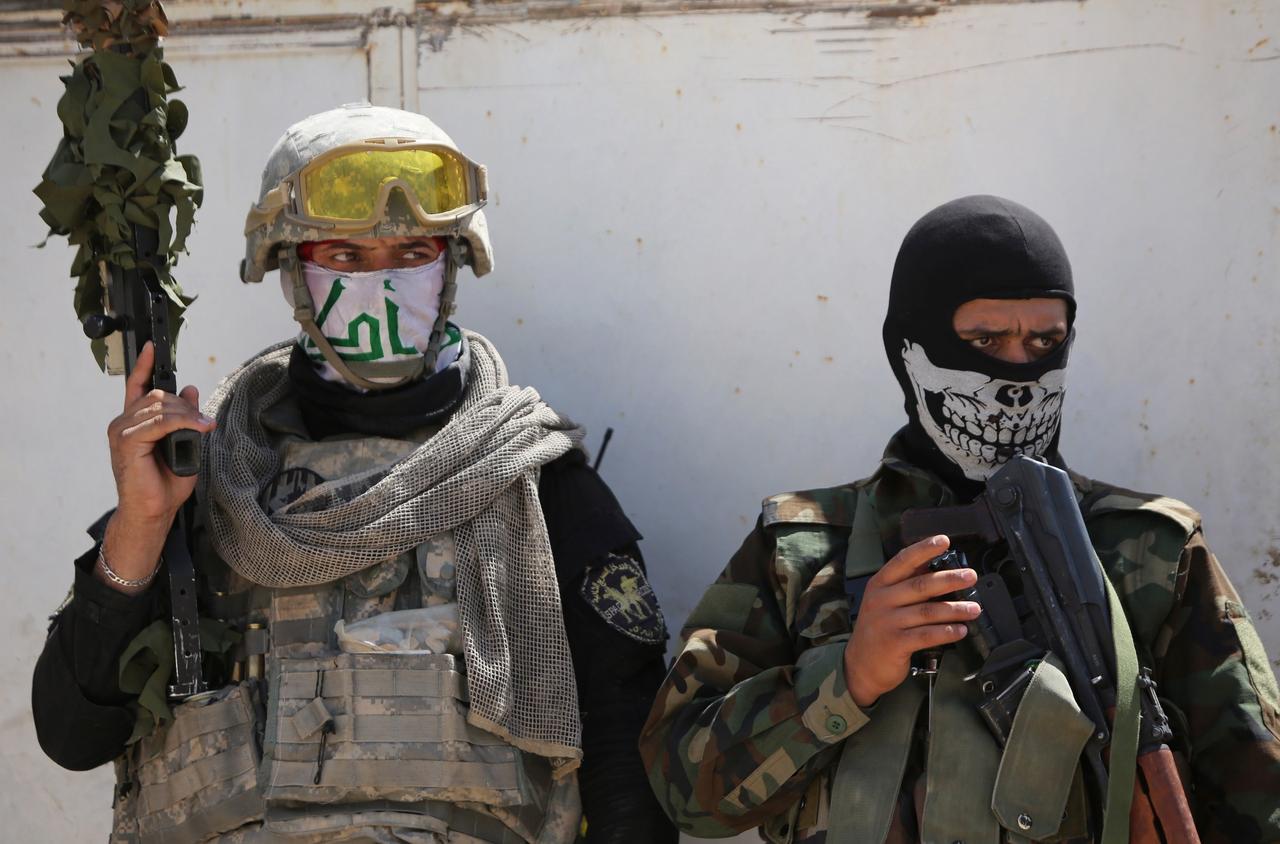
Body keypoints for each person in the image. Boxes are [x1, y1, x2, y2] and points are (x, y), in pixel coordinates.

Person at [33, 103, 678, 844]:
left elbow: (627, 772)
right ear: (290, 272)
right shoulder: (201, 480)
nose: (382, 283)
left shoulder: (535, 480)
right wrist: (140, 528)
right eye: (345, 257)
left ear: (454, 265)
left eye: (412, 256)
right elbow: (69, 733)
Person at [639, 195, 1280, 843]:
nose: (1019, 371)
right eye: (983, 340)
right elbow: (681, 792)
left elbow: (1259, 795)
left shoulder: (1151, 550)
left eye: (1045, 341)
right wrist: (844, 680)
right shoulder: (803, 548)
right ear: (909, 351)